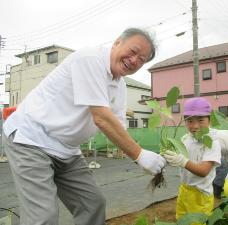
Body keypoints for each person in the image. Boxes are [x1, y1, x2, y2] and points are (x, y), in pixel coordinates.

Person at [3, 28, 166, 225]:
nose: (134, 61)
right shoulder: (90, 59)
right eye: (133, 51)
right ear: (117, 43)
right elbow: (102, 118)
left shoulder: (119, 86)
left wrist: (145, 154)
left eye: (141, 59)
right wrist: (139, 155)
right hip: (31, 139)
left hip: (67, 150)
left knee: (92, 205)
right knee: (43, 217)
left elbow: (118, 127)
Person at [163, 97, 221, 220]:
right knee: (181, 221)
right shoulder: (185, 139)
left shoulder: (212, 143)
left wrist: (182, 161)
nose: (195, 126)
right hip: (184, 190)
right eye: (190, 121)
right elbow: (177, 158)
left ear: (209, 120)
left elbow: (203, 171)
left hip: (201, 195)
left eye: (200, 120)